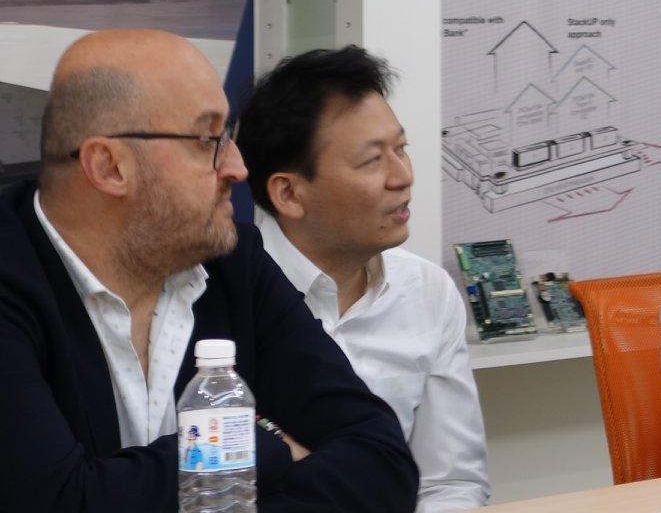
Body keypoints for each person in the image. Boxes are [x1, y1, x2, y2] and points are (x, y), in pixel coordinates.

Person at [0, 28, 417, 511]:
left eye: (228, 137)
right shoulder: (13, 274)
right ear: (110, 166)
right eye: (207, 140)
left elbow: (382, 466)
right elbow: (57, 502)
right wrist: (261, 446)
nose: (237, 168)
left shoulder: (233, 266)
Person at [238, 46, 490, 511]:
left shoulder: (428, 291)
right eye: (372, 161)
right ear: (289, 193)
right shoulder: (223, 295)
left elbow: (450, 481)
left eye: (401, 149)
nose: (403, 177)